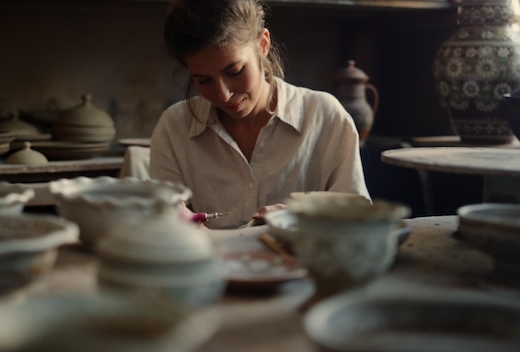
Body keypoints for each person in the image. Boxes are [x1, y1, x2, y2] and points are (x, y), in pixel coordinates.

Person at [150, 0, 370, 229]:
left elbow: (363, 223)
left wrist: (306, 218)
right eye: (203, 80)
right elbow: (164, 227)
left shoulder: (324, 116)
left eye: (234, 71)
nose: (223, 95)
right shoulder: (173, 127)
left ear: (263, 44)